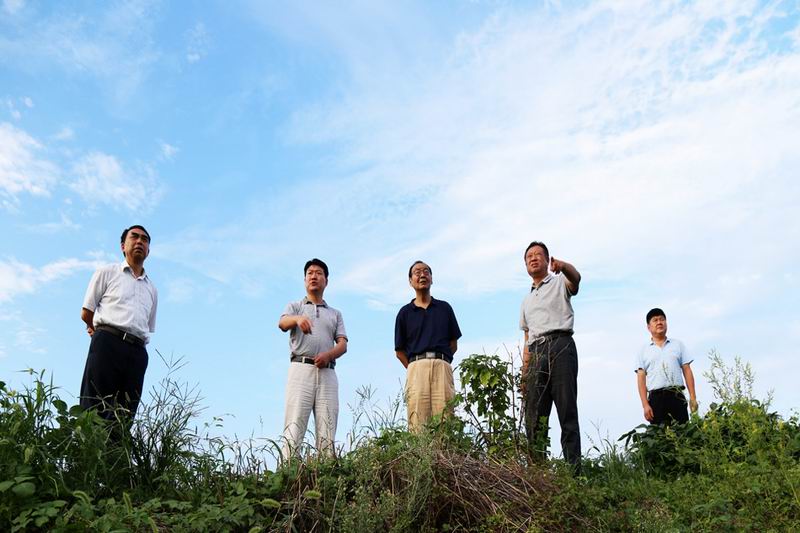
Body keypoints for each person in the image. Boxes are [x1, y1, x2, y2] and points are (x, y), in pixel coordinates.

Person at [79, 225, 158, 421]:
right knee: (94, 404)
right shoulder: (107, 272)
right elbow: (87, 312)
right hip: (107, 342)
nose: (139, 241)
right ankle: (87, 441)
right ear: (123, 246)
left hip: (137, 351)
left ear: (148, 250)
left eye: (144, 239)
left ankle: (118, 442)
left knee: (125, 413)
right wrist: (98, 332)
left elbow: (147, 327)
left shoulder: (152, 289)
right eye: (134, 237)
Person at [519, 241, 582, 469]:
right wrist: (524, 373)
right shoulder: (526, 301)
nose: (533, 258)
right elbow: (527, 339)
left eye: (538, 255)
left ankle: (574, 473)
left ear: (547, 260)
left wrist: (563, 266)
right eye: (529, 257)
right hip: (537, 353)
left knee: (567, 411)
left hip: (561, 345)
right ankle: (538, 473)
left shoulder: (559, 282)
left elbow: (576, 279)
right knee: (534, 416)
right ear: (526, 265)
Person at [278, 258, 347, 458]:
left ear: (326, 280)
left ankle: (326, 472)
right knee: (294, 425)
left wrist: (329, 355)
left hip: (327, 371)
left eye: (318, 273)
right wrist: (298, 319)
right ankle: (288, 471)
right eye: (310, 273)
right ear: (304, 280)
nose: (314, 276)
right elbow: (282, 323)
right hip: (300, 368)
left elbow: (343, 344)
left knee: (328, 428)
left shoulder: (335, 313)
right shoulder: (295, 306)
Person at [394, 260, 462, 431]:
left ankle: (445, 449)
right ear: (410, 281)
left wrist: (441, 361)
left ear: (432, 278)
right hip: (416, 367)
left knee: (446, 419)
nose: (422, 275)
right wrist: (415, 367)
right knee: (418, 422)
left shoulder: (444, 308)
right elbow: (399, 351)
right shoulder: (404, 313)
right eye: (417, 272)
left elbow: (453, 343)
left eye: (426, 271)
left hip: (442, 365)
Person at [636, 308, 698, 425]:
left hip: (677, 396)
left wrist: (693, 398)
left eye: (662, 319)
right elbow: (641, 378)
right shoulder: (643, 350)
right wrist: (645, 405)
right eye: (655, 320)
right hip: (656, 400)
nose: (659, 322)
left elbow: (687, 370)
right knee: (659, 434)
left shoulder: (678, 345)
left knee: (682, 432)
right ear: (648, 327)